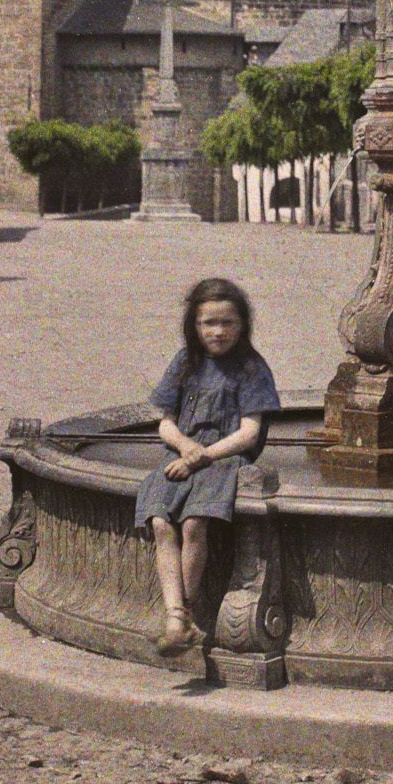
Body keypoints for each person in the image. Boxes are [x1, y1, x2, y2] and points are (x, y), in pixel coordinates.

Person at [135, 277, 281, 656]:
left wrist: (204, 455)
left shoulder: (250, 368)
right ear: (194, 326)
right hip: (182, 456)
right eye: (207, 323)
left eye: (227, 323)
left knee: (195, 522)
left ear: (242, 325)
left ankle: (182, 614)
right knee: (162, 523)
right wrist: (185, 446)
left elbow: (250, 433)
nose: (217, 332)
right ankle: (175, 616)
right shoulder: (186, 362)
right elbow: (164, 422)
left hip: (224, 459)